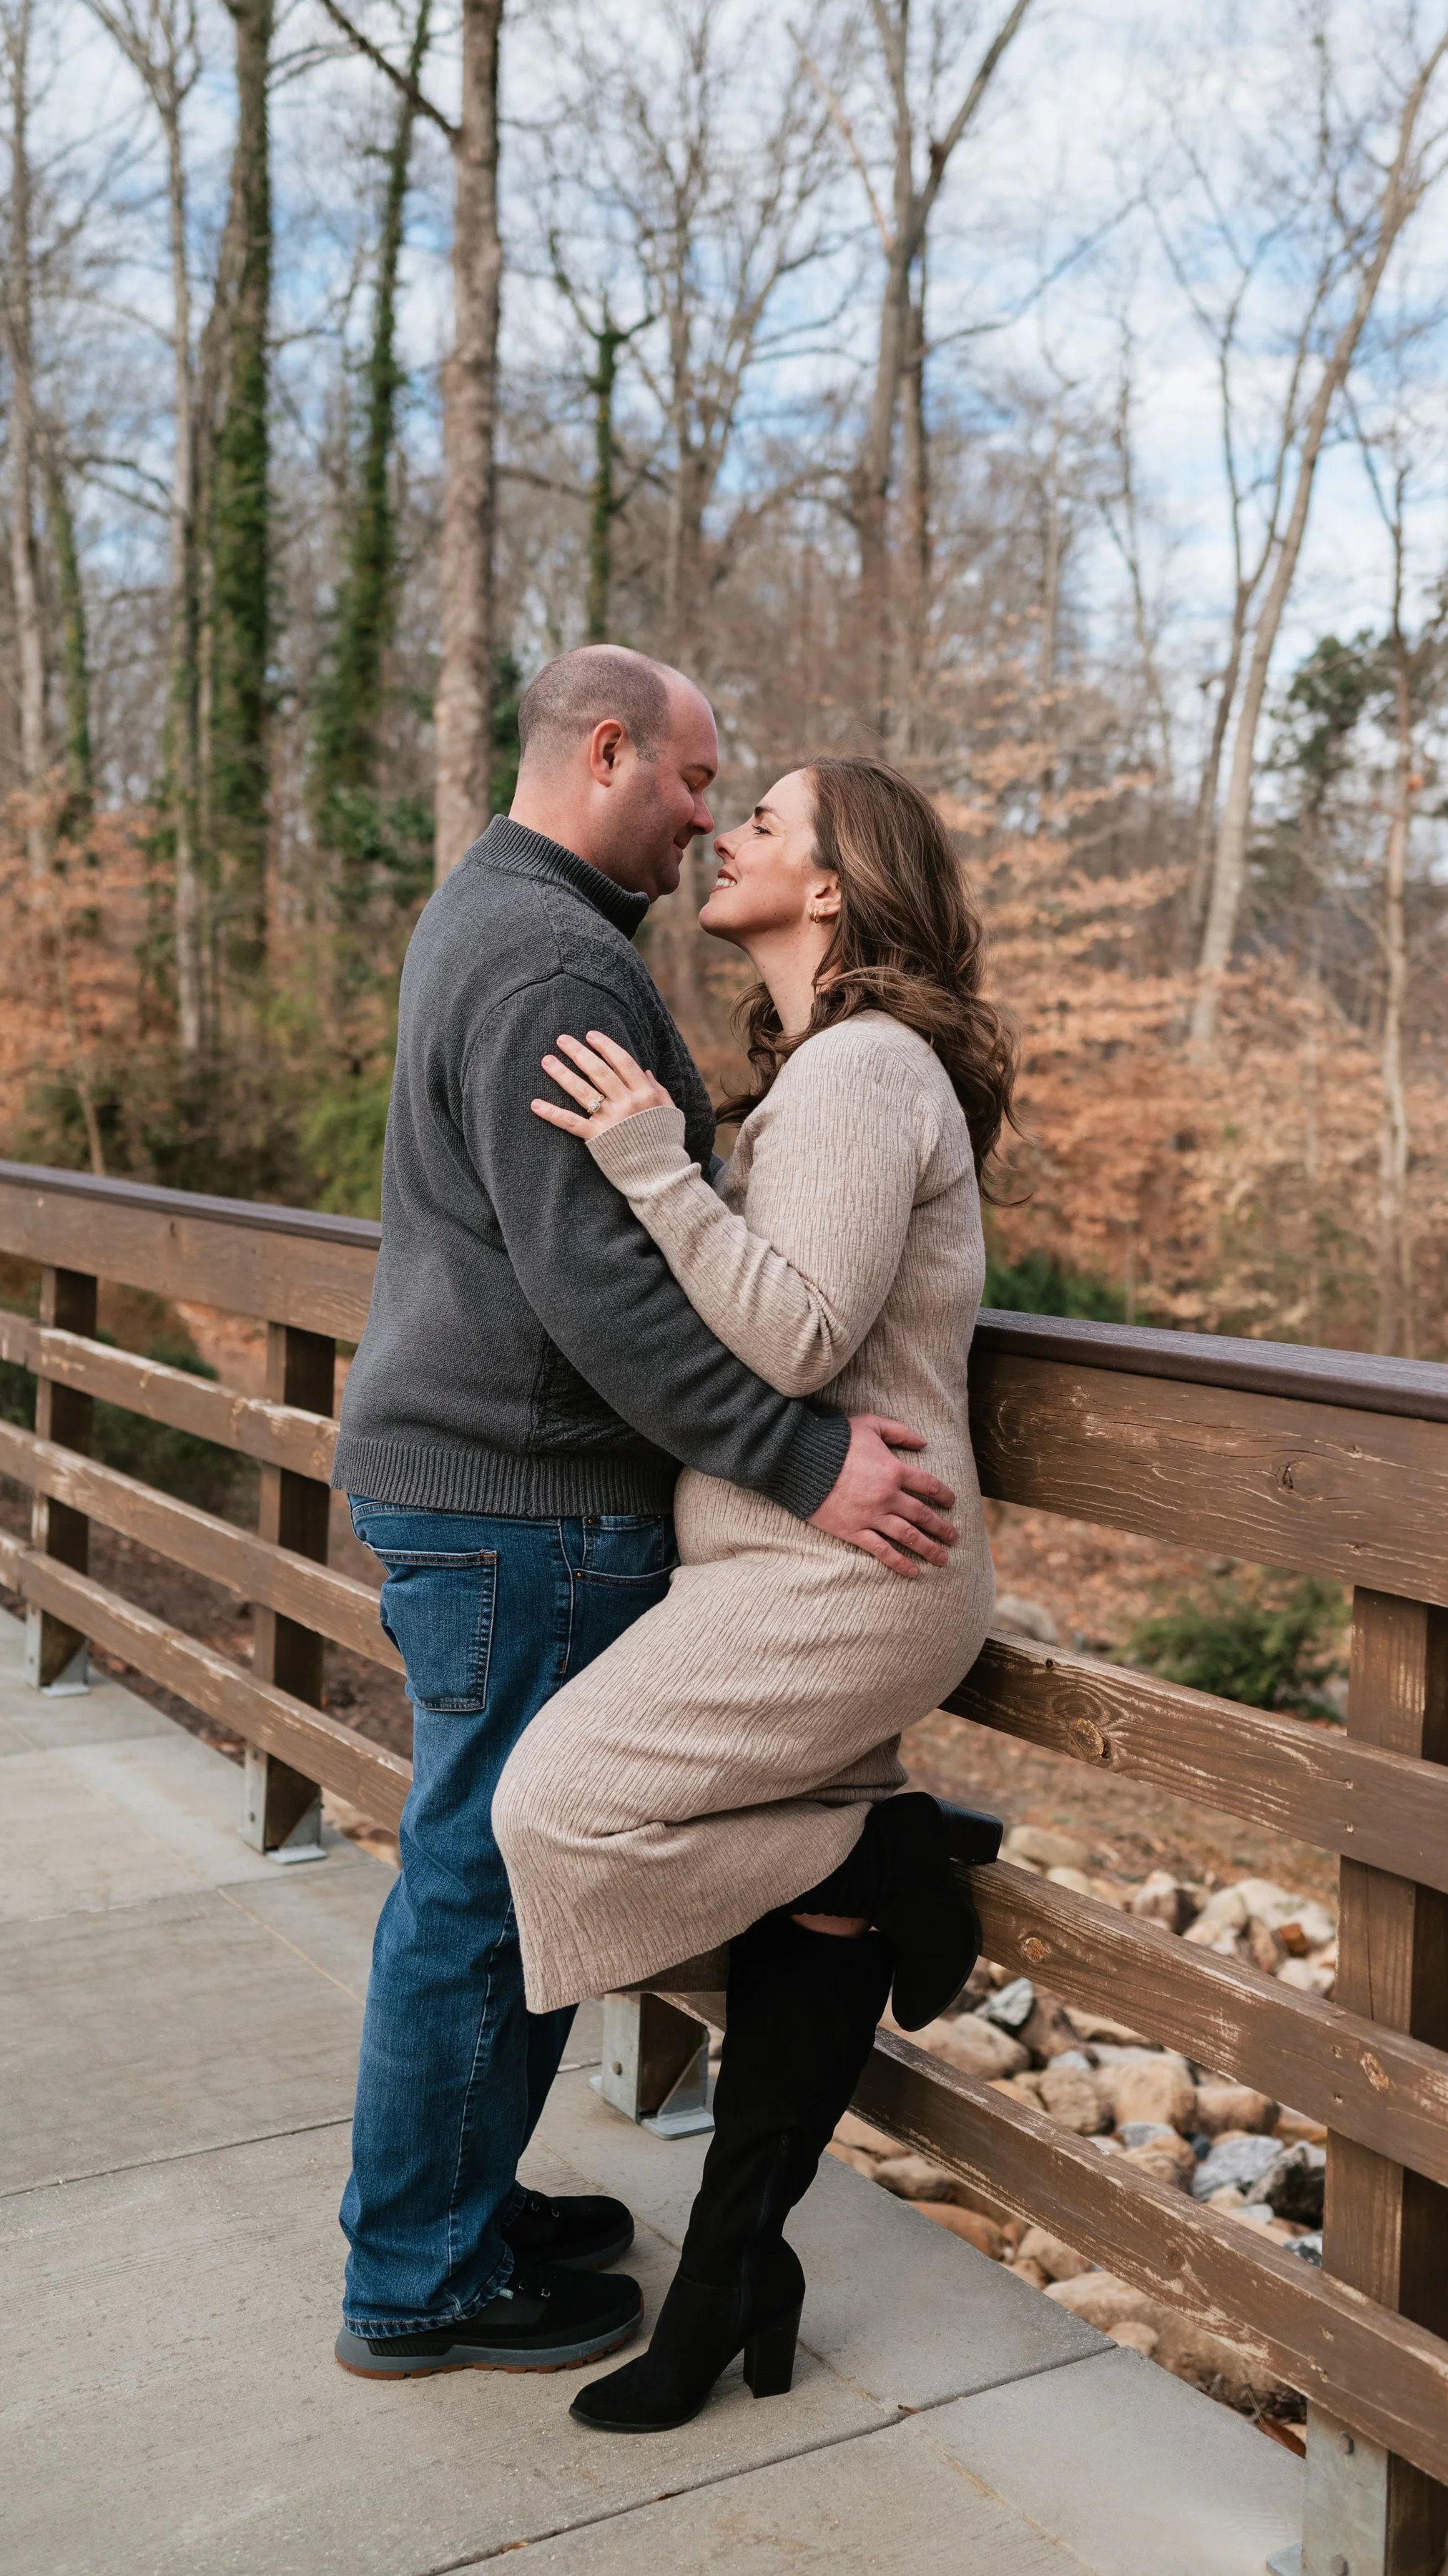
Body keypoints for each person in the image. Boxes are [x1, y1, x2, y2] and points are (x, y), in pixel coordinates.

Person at [329, 649, 965, 2382]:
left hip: (497, 1489)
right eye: (693, 784)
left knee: (480, 1861)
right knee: (483, 1871)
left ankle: (450, 2211)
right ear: (603, 749)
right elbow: (605, 1292)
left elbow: (728, 1281)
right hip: (523, 1497)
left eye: (735, 805)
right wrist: (798, 1459)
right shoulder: (551, 960)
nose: (703, 820)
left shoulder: (498, 917)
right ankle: (420, 2274)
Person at [493, 752, 1014, 2432]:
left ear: (834, 890)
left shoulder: (865, 1069)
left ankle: (887, 1845)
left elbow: (792, 1336)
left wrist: (655, 1164)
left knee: (557, 1808)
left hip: (843, 1576)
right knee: (809, 1920)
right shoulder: (827, 1072)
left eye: (767, 822)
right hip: (801, 1565)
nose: (727, 833)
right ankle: (730, 2277)